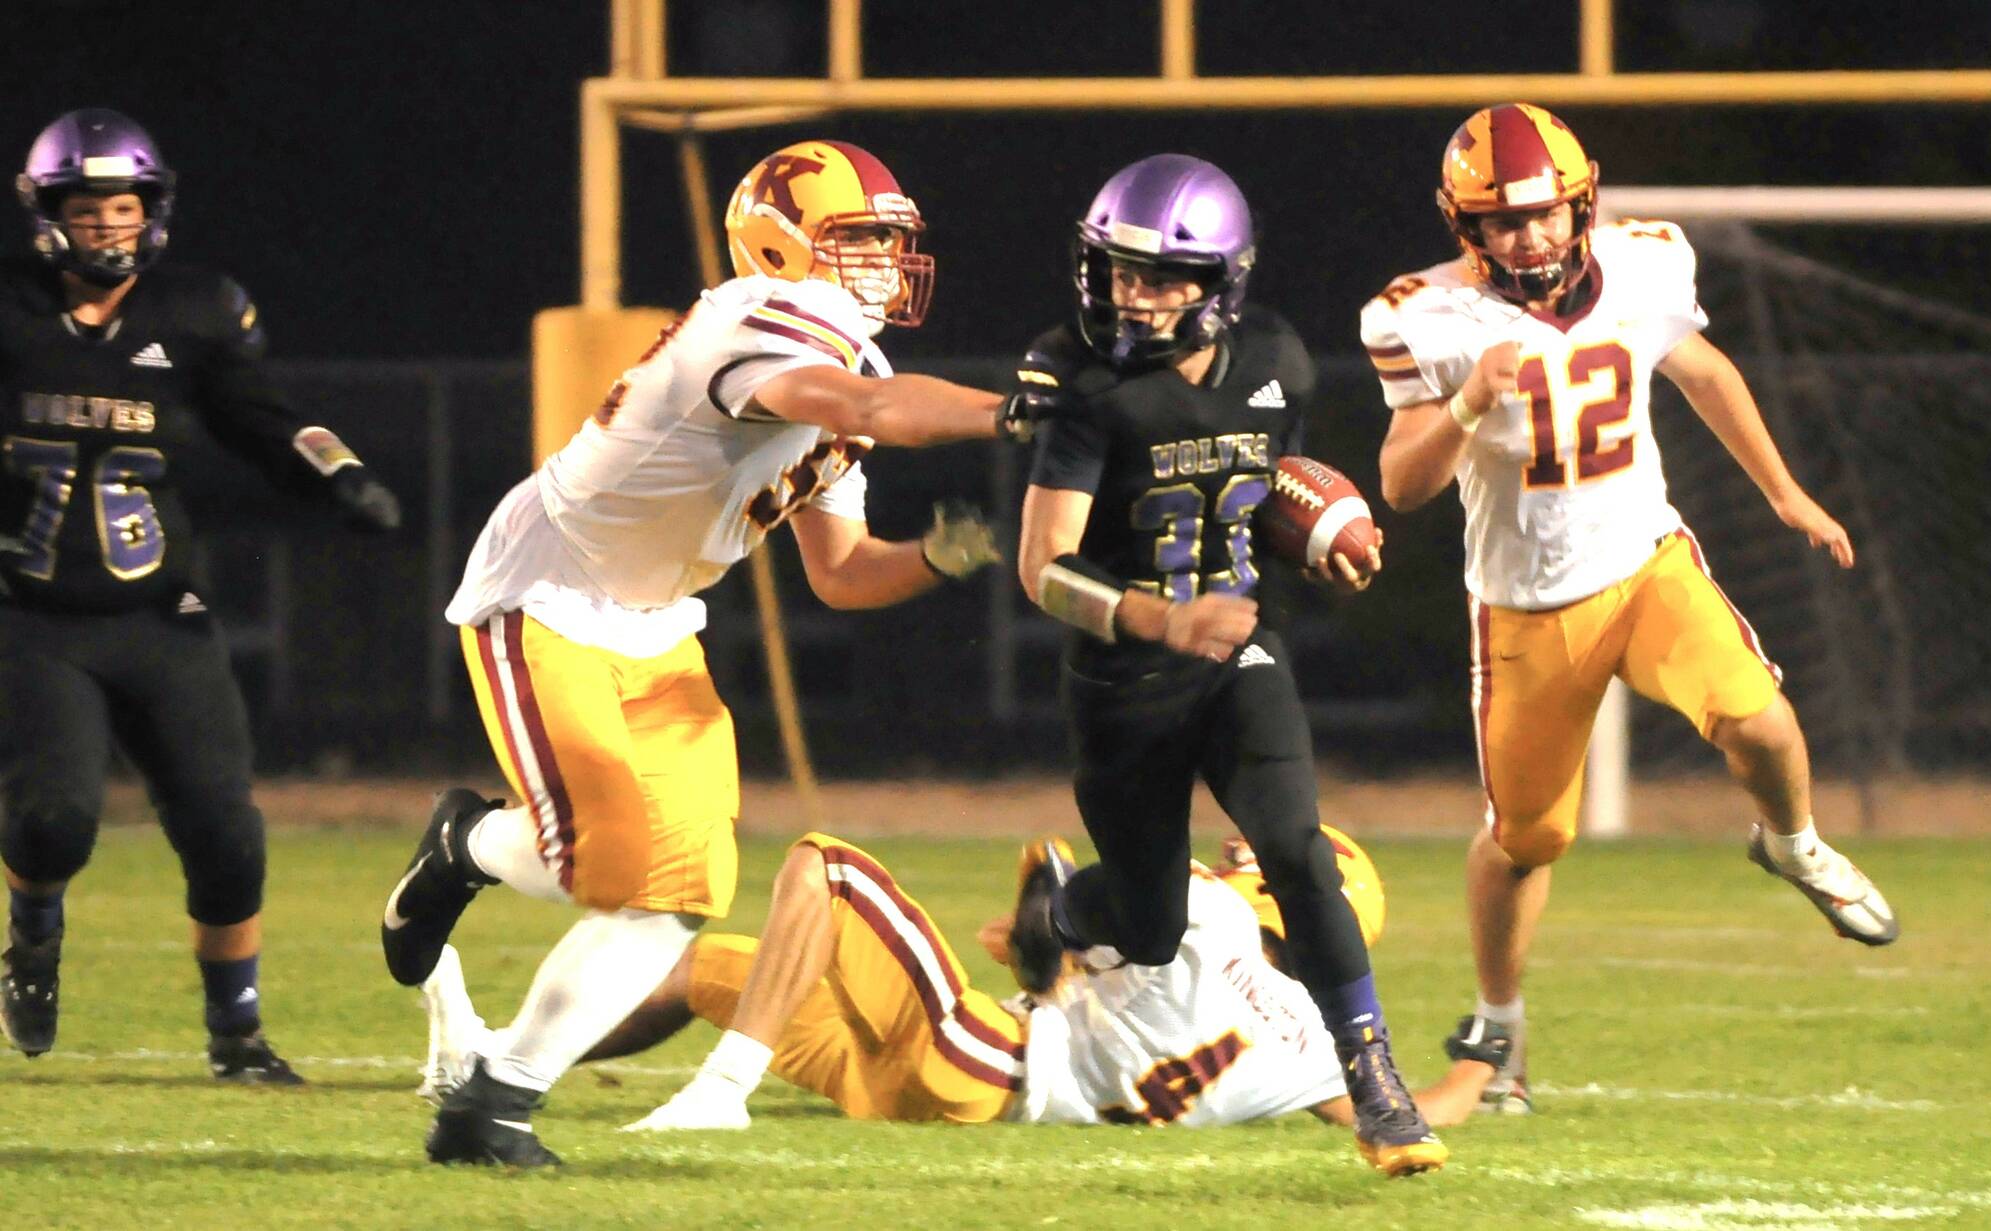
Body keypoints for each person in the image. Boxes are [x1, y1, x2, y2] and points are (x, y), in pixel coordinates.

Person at [379, 139, 1046, 1168]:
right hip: (549, 595)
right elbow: (869, 409)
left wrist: (939, 560)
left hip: (657, 624)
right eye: (856, 240)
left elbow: (841, 571)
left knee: (681, 892)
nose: (882, 263)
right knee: (597, 864)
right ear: (780, 248)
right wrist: (1010, 411)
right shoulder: (754, 320)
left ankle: (492, 1102)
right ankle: (464, 845)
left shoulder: (842, 364)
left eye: (886, 242)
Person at [1366, 103, 1900, 1114]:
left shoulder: (1647, 263)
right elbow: (1399, 484)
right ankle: (1499, 1024)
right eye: (1502, 220)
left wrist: (1781, 492)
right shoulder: (1421, 315)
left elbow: (1700, 367)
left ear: (1582, 203)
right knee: (1525, 839)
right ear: (1463, 228)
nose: (1528, 236)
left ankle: (1789, 842)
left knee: (1760, 720)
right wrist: (1471, 400)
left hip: (1643, 566)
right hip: (1523, 611)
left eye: (1544, 214)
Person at [999, 153, 1444, 1179]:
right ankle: (1059, 909)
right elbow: (1039, 569)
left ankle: (1373, 1078)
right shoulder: (1081, 377)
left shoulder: (1275, 358)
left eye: (1159, 279)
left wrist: (1320, 536)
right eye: (1116, 272)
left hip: (1237, 652)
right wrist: (1158, 620)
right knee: (1148, 928)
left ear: (1219, 285)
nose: (1133, 296)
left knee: (1298, 850)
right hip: (1122, 683)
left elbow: (1262, 484)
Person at [0, 110, 402, 1082]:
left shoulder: (195, 312)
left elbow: (269, 421)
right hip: (33, 611)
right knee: (54, 819)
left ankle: (239, 1040)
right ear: (49, 214)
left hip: (160, 613)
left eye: (124, 207)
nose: (107, 227)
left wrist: (341, 475)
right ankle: (34, 930)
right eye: (88, 208)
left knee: (226, 831)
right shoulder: (10, 312)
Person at [413, 828, 1512, 1134]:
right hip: (932, 1088)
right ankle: (491, 1064)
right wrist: (1477, 1058)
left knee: (824, 866)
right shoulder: (1316, 1048)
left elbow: (1028, 916)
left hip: (976, 1054)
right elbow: (1411, 1113)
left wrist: (1043, 909)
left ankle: (722, 1092)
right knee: (711, 967)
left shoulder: (1206, 907)